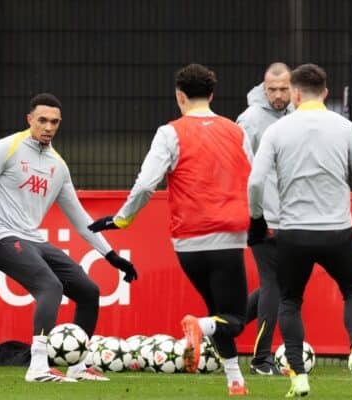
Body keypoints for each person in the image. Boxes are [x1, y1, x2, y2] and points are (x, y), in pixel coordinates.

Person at [89, 63, 252, 396]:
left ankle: (235, 381)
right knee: (232, 317)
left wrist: (122, 219)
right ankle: (201, 328)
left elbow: (146, 184)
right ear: (212, 94)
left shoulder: (169, 132)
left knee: (218, 314)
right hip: (228, 239)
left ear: (180, 97)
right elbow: (256, 180)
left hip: (187, 244)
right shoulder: (236, 131)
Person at [0, 92, 138, 383]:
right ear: (29, 119)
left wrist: (112, 256)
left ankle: (78, 367)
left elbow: (81, 221)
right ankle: (38, 367)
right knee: (49, 286)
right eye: (42, 120)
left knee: (88, 291)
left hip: (33, 238)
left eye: (54, 122)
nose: (48, 127)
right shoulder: (6, 148)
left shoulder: (58, 165)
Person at [247, 63, 352, 397]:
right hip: (338, 231)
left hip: (292, 233)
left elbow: (256, 181)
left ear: (296, 93)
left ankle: (298, 377)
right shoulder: (346, 128)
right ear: (326, 93)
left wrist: (257, 219)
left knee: (289, 301)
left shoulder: (278, 130)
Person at [236, 62, 293, 375]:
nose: (278, 95)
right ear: (263, 87)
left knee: (281, 283)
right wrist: (253, 212)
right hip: (263, 217)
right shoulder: (251, 120)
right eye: (272, 89)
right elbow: (238, 165)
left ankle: (220, 329)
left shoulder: (297, 114)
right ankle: (262, 359)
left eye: (284, 89)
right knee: (273, 283)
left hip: (294, 218)